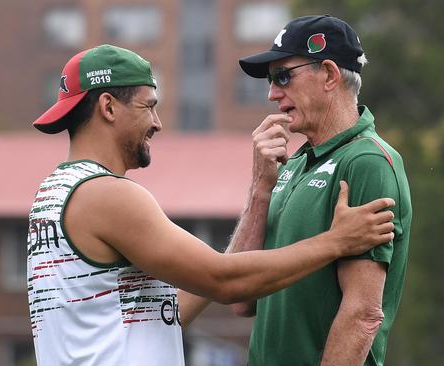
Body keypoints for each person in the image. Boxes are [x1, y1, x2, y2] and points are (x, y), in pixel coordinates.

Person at [26, 44, 396, 366]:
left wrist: (259, 193)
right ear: (108, 106)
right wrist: (336, 241)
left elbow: (164, 313)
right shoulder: (107, 195)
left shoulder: (53, 194)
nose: (156, 123)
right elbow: (224, 281)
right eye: (148, 106)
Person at [231, 15, 413, 366]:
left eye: (283, 76)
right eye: (271, 80)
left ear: (329, 75)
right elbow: (240, 297)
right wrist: (259, 190)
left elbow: (362, 315)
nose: (272, 93)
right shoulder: (293, 163)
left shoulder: (367, 162)